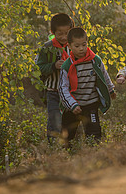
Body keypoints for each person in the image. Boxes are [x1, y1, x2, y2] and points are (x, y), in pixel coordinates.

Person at [58, 27, 116, 147]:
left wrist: (110, 90)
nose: (81, 49)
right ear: (69, 46)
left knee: (94, 133)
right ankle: (67, 157)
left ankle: (93, 155)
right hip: (73, 106)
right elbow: (62, 88)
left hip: (91, 103)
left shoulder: (95, 60)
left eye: (84, 45)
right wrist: (72, 105)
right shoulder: (67, 66)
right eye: (77, 46)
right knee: (67, 135)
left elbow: (104, 76)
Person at [35, 13, 74, 144]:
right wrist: (53, 66)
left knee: (71, 123)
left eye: (66, 33)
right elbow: (38, 68)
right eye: (60, 34)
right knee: (54, 122)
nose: (64, 37)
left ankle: (70, 149)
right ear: (52, 32)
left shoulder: (75, 45)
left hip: (71, 92)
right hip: (54, 92)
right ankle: (54, 150)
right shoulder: (47, 48)